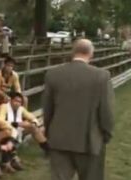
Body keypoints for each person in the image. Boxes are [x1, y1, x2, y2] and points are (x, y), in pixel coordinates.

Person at [43, 39, 114, 180]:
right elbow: (106, 110)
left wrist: (49, 131)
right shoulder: (101, 76)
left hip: (59, 139)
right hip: (89, 140)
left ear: (72, 52)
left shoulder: (53, 74)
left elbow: (47, 109)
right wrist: (106, 133)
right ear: (91, 53)